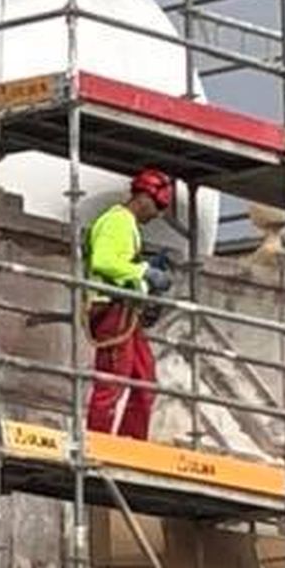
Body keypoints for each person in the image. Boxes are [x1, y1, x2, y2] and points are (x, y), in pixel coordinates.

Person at [81, 168, 176, 440]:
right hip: (111, 308)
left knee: (144, 380)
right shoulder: (117, 221)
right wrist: (143, 272)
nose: (157, 213)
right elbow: (103, 261)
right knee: (113, 379)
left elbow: (117, 264)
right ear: (143, 197)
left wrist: (144, 277)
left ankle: (132, 441)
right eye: (157, 206)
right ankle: (98, 440)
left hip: (125, 310)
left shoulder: (127, 225)